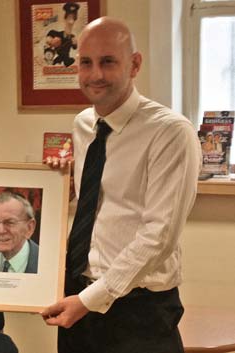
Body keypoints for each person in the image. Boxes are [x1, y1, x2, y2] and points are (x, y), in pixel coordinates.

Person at [41, 17, 201, 353]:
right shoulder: (83, 124)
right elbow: (98, 203)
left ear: (135, 64)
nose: (95, 74)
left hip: (139, 312)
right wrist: (60, 186)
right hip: (78, 297)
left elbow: (159, 235)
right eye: (86, 63)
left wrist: (90, 299)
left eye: (108, 61)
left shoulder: (170, 132)